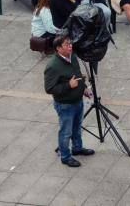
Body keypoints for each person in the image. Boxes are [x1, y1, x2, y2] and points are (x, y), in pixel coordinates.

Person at [44, 35, 94, 168]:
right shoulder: (53, 66)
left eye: (70, 43)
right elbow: (49, 89)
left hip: (78, 101)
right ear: (58, 48)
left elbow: (77, 75)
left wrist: (84, 89)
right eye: (67, 45)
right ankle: (65, 156)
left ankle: (77, 148)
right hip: (65, 105)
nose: (70, 46)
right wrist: (68, 86)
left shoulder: (72, 57)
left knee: (77, 128)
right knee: (66, 132)